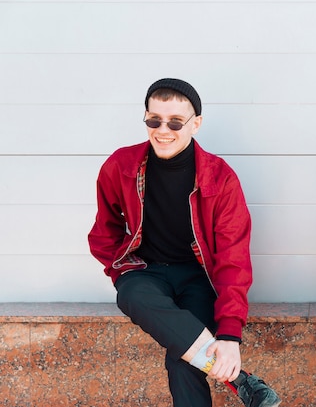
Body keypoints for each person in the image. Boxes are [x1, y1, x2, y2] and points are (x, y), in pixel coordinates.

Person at [88, 78, 281, 407]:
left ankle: (238, 379)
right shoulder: (121, 166)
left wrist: (231, 334)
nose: (163, 130)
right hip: (146, 272)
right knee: (131, 293)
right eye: (154, 120)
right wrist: (121, 269)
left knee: (183, 360)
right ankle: (239, 380)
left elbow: (234, 260)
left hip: (198, 278)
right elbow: (104, 232)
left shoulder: (220, 179)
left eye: (175, 121)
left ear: (196, 124)